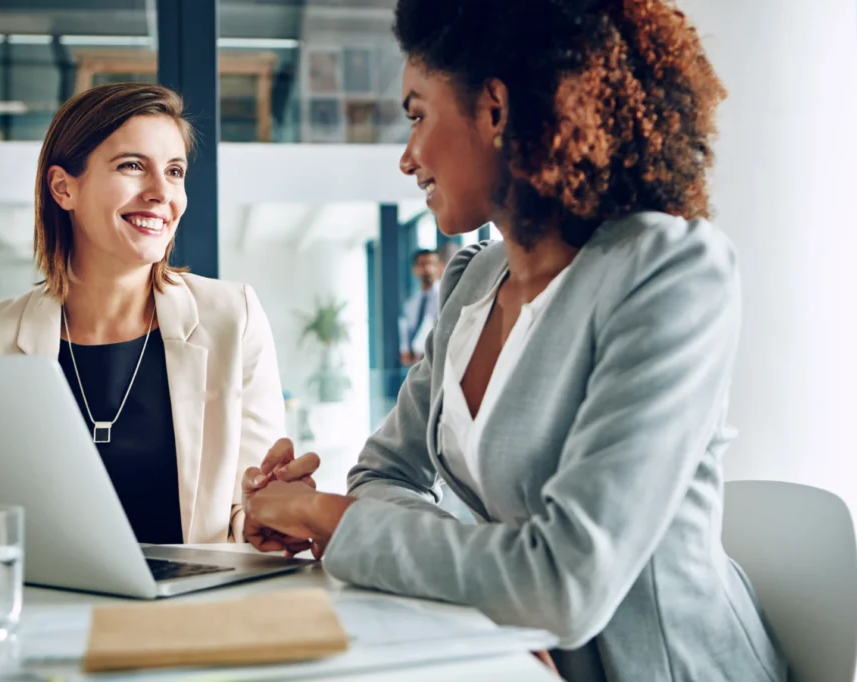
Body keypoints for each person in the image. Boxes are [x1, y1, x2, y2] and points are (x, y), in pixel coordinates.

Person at [241, 0, 789, 680]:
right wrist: (481, 577)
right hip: (509, 657)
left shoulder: (668, 270)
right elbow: (383, 475)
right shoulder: (474, 280)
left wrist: (331, 517)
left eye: (418, 115)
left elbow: (563, 585)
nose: (407, 159)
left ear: (495, 110)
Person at [0, 83, 284, 546]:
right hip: (46, 590)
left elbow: (246, 505)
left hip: (194, 591)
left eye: (174, 171)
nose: (161, 193)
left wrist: (267, 519)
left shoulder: (233, 318)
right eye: (132, 166)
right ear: (63, 188)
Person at [398, 249, 441, 366]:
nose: (427, 268)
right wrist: (405, 350)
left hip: (439, 360)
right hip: (417, 363)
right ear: (414, 269)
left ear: (439, 267)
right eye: (422, 264)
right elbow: (406, 331)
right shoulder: (411, 303)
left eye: (432, 264)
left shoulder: (446, 296)